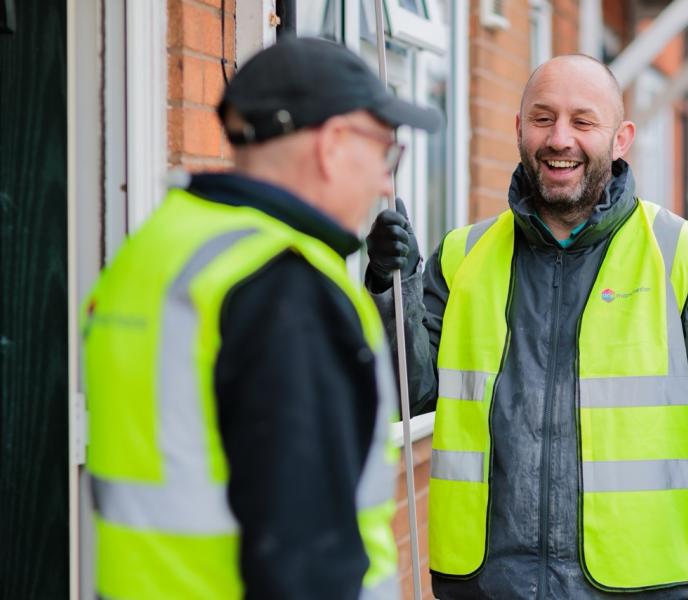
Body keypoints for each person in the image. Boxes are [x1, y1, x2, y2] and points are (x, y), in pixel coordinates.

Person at [365, 54, 688, 599]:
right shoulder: (462, 255)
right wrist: (389, 286)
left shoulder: (683, 255)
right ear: (518, 128)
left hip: (642, 586)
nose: (560, 139)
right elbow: (408, 390)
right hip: (487, 586)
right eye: (543, 119)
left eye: (583, 121)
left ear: (621, 138)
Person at [82, 37, 440, 599]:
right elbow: (307, 560)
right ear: (334, 144)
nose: (386, 183)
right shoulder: (285, 289)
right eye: (386, 155)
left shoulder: (154, 251)